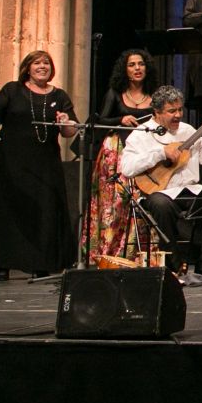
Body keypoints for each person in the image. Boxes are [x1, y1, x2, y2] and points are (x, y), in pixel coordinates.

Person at [0, 50, 79, 281]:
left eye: (46, 63)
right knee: (8, 211)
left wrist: (66, 122)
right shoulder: (12, 90)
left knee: (44, 212)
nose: (42, 66)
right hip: (11, 163)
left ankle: (41, 263)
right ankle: (3, 263)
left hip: (45, 165)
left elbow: (70, 131)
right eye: (37, 63)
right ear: (27, 68)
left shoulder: (60, 95)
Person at [118, 85, 202, 282]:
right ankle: (174, 267)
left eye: (180, 109)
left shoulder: (188, 131)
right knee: (161, 205)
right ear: (157, 112)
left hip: (190, 190)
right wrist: (160, 153)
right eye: (171, 111)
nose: (178, 115)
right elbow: (127, 168)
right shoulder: (141, 135)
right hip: (161, 192)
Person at [81, 48, 159, 265]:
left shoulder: (154, 96)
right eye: (132, 65)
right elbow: (99, 122)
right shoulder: (115, 93)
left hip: (144, 153)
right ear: (124, 70)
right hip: (117, 153)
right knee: (114, 204)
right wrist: (120, 120)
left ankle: (136, 255)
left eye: (141, 64)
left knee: (138, 201)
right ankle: (107, 253)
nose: (137, 68)